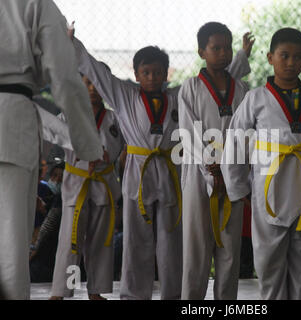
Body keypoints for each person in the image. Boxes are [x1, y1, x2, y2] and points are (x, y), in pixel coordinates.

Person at [68, 24, 252, 300]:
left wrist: (240, 57)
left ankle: (173, 295)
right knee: (136, 240)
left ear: (167, 74)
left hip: (170, 173)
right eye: (146, 72)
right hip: (138, 172)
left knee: (172, 241)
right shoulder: (125, 95)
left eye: (158, 72)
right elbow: (98, 72)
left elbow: (219, 84)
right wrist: (73, 45)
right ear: (136, 73)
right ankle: (133, 295)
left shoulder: (178, 96)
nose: (153, 78)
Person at [221, 27, 301, 300]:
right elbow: (235, 142)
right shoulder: (255, 98)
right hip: (271, 191)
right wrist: (238, 188)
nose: (291, 63)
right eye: (284, 56)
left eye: (298, 57)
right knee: (268, 265)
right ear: (269, 58)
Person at [0, 0, 103, 300]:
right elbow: (64, 77)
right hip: (9, 126)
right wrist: (87, 142)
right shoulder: (34, 3)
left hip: (14, 115)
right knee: (10, 244)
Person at [179, 22, 255, 300]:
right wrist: (211, 165)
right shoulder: (190, 87)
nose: (222, 53)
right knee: (196, 246)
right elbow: (188, 132)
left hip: (232, 174)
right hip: (199, 174)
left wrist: (234, 168)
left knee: (230, 248)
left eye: (227, 48)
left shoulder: (241, 89)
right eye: (216, 48)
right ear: (202, 52)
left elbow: (246, 131)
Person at [45, 73, 125, 300]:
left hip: (104, 185)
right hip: (76, 186)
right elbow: (56, 143)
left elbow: (120, 147)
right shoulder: (68, 116)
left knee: (101, 240)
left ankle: (95, 291)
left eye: (97, 84)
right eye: (86, 83)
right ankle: (61, 290)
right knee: (70, 241)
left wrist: (106, 155)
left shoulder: (114, 119)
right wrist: (58, 165)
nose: (92, 89)